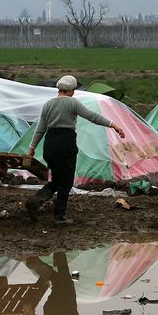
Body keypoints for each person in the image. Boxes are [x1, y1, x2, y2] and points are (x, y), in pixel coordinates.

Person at [26, 75, 125, 224]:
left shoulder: (48, 104)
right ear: (71, 90)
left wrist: (32, 147)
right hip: (65, 143)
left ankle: (36, 201)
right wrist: (113, 124)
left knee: (58, 179)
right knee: (66, 181)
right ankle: (59, 216)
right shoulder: (72, 103)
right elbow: (92, 116)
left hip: (50, 144)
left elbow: (40, 129)